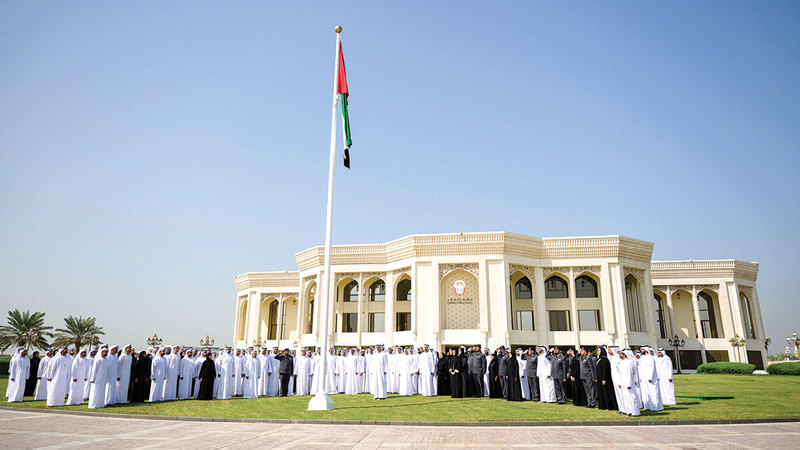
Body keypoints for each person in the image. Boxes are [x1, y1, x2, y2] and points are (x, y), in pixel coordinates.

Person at [616, 350, 640, 416]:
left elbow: (630, 374)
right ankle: (628, 411)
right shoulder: (620, 363)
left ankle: (634, 412)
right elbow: (620, 374)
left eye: (620, 354)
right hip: (623, 383)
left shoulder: (629, 362)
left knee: (631, 397)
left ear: (624, 355)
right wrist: (620, 383)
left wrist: (629, 384)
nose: (619, 355)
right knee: (625, 398)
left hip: (628, 383)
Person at [638, 347, 663, 411]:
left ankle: (656, 407)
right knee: (646, 393)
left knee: (653, 392)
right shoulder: (642, 358)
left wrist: (650, 377)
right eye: (641, 350)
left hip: (650, 379)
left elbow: (652, 368)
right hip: (644, 379)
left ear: (646, 350)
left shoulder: (650, 357)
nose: (641, 351)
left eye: (642, 350)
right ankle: (647, 406)